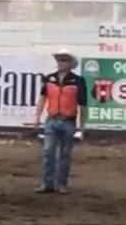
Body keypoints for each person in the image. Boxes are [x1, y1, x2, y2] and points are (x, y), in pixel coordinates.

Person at [33, 49, 87, 194]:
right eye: (60, 60)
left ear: (70, 64)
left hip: (68, 121)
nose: (61, 63)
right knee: (48, 152)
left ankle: (60, 184)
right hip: (52, 119)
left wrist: (82, 125)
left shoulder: (78, 81)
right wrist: (37, 117)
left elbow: (82, 104)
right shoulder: (49, 78)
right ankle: (47, 183)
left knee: (64, 154)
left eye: (64, 60)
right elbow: (42, 99)